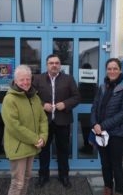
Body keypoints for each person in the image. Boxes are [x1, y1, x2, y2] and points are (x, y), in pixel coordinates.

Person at [32, 54, 80, 188]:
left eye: (57, 63)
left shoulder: (68, 79)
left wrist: (65, 104)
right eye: (51, 63)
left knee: (63, 151)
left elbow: (76, 97)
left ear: (60, 65)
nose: (54, 65)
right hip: (44, 123)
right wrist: (42, 105)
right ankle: (43, 176)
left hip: (63, 121)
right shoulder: (38, 79)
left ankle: (64, 176)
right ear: (47, 65)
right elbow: (31, 96)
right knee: (43, 151)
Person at [1, 65, 48, 195]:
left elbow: (43, 119)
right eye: (22, 80)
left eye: (28, 79)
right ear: (15, 81)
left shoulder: (35, 97)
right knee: (18, 183)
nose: (25, 82)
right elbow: (14, 126)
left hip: (32, 146)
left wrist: (43, 137)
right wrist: (35, 138)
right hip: (18, 147)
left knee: (27, 179)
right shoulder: (9, 99)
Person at [90, 58, 123, 195]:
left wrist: (102, 125)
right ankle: (107, 189)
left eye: (115, 68)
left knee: (116, 165)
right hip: (101, 133)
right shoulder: (103, 86)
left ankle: (119, 191)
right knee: (105, 163)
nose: (112, 71)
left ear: (120, 70)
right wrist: (95, 123)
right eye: (109, 68)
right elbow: (94, 107)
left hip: (117, 133)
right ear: (106, 70)